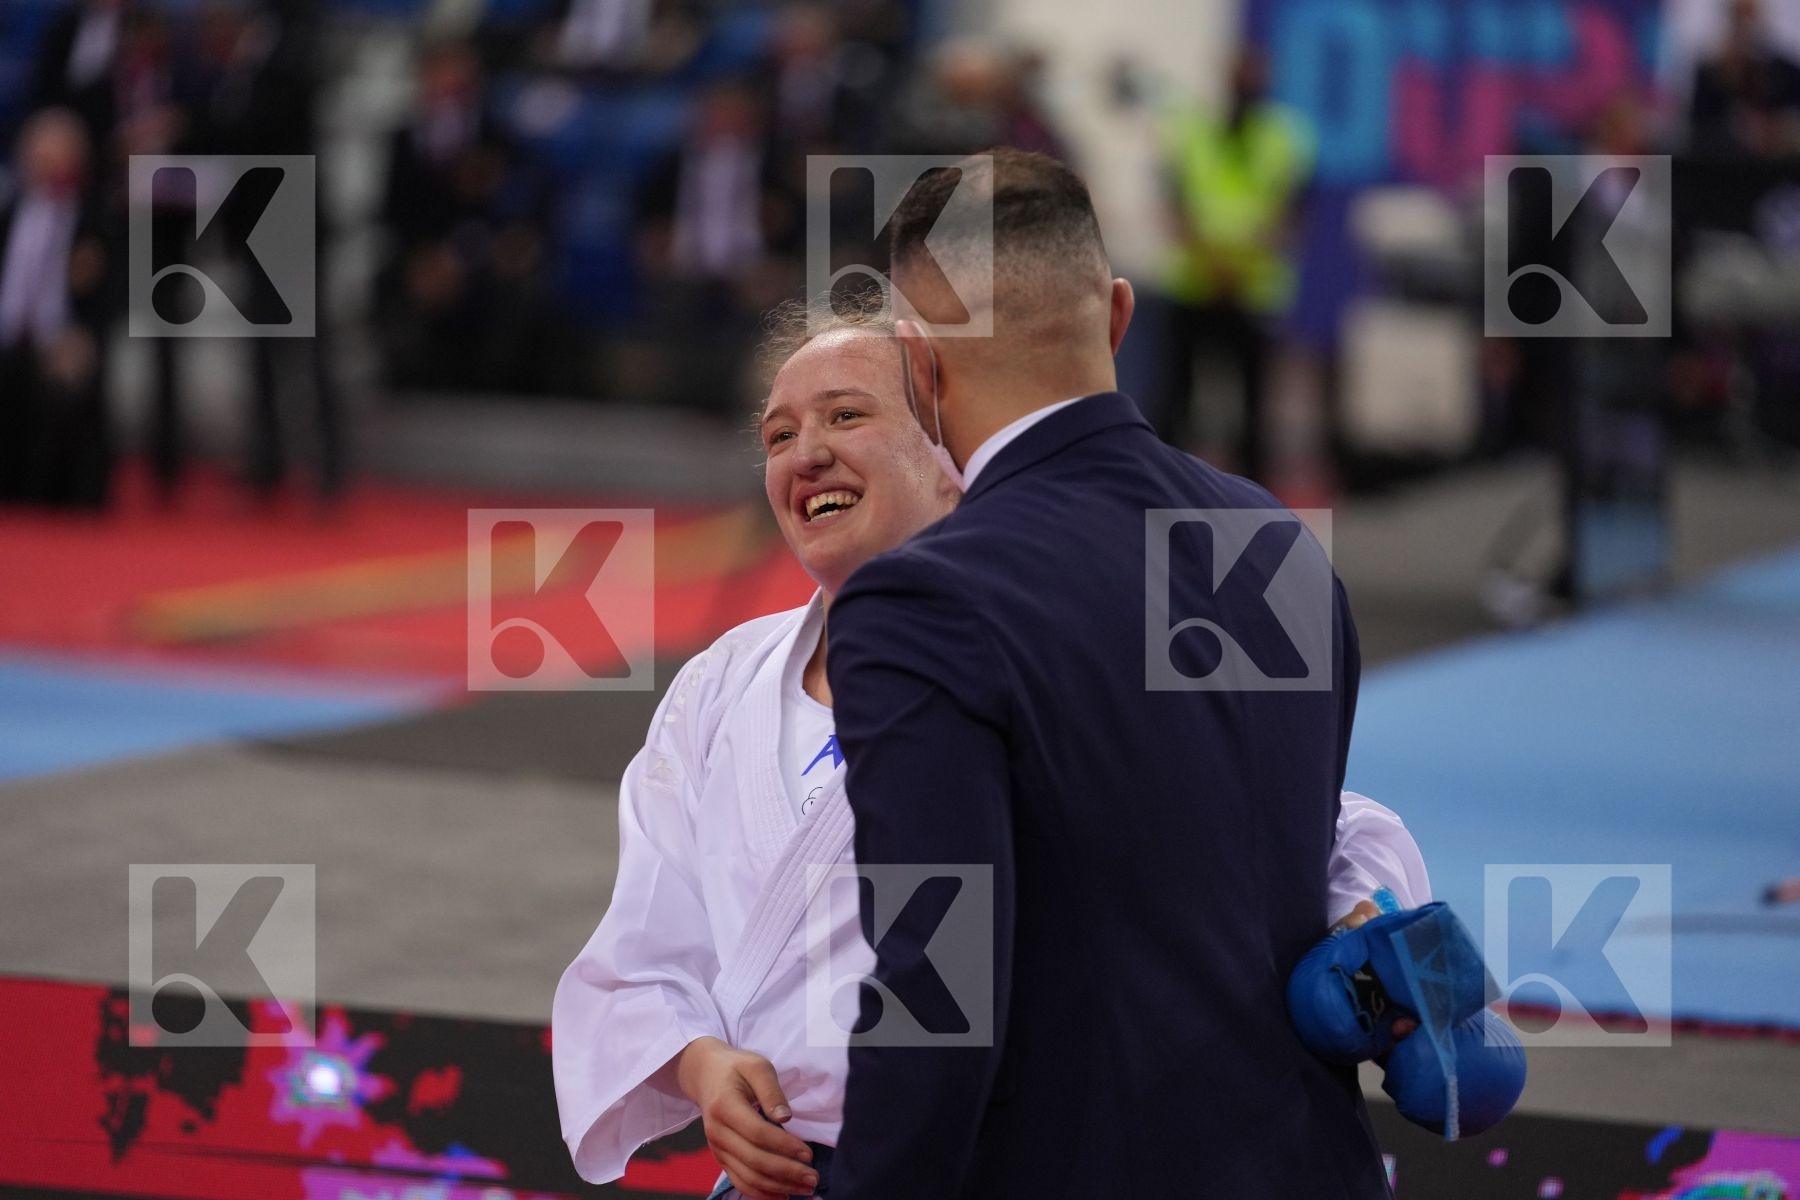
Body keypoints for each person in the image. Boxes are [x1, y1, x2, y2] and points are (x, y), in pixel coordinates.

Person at [552, 288, 1429, 1199]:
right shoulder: (720, 684)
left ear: (948, 447)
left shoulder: (1058, 629)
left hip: (1003, 1157)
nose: (805, 454)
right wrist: (701, 1066)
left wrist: (1352, 902)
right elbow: (648, 941)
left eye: (846, 415)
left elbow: (1263, 819)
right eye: (777, 437)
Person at [821, 149, 1385, 1195]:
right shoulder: (1273, 544)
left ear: (917, 367)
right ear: (1120, 314)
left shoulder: (921, 603)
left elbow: (939, 990)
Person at [1158, 46, 1313, 481]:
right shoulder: (1191, 130)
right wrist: (1211, 261)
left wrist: (1240, 264)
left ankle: (1253, 494)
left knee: (1254, 407)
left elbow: (1295, 213)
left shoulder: (1285, 136)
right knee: (1178, 400)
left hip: (1253, 289)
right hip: (1196, 285)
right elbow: (1174, 203)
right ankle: (1163, 485)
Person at [0, 108, 111, 508]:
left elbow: (106, 292)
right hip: (9, 333)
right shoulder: (11, 210)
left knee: (63, 375)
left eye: (52, 151)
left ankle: (53, 493)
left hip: (62, 334)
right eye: (35, 150)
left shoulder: (93, 216)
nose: (40, 159)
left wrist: (84, 335)